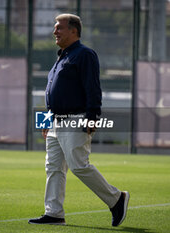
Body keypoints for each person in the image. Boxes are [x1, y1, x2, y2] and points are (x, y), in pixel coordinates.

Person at [28, 13, 129, 227]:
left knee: (79, 165)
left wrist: (92, 118)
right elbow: (50, 94)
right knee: (53, 167)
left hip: (75, 118)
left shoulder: (84, 54)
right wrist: (45, 122)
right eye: (55, 28)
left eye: (59, 28)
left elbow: (93, 88)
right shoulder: (61, 57)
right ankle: (54, 213)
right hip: (55, 123)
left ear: (74, 31)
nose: (55, 31)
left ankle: (116, 198)